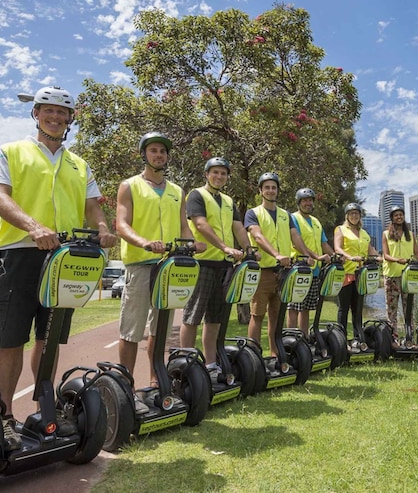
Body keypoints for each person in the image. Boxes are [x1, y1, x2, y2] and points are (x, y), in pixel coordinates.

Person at [0, 86, 117, 449]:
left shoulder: (79, 164)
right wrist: (33, 227)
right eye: (49, 111)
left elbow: (93, 205)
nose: (55, 118)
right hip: (20, 253)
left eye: (63, 113)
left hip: (65, 257)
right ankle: (4, 415)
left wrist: (103, 229)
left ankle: (47, 410)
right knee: (12, 336)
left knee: (50, 335)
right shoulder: (11, 151)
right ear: (37, 114)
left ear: (70, 119)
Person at [116, 132, 205, 412]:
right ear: (144, 155)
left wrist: (192, 243)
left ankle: (156, 380)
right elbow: (121, 224)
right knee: (132, 328)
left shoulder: (177, 191)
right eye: (153, 151)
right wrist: (143, 242)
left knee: (161, 327)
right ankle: (125, 386)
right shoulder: (129, 186)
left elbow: (183, 226)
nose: (159, 156)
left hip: (169, 265)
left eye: (163, 152)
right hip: (141, 263)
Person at [180, 157, 253, 382]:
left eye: (223, 173)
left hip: (224, 265)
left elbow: (238, 228)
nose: (219, 177)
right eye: (215, 172)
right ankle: (185, 363)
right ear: (206, 174)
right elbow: (200, 224)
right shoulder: (196, 195)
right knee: (193, 315)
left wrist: (249, 250)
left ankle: (210, 364)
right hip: (202, 263)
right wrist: (225, 247)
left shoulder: (229, 201)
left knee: (215, 318)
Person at [243, 173, 311, 361]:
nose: (271, 190)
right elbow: (257, 236)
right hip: (262, 271)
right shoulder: (253, 213)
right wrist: (276, 254)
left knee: (277, 316)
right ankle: (253, 357)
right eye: (267, 187)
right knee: (257, 315)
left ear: (278, 190)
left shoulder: (285, 215)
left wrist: (306, 254)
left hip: (283, 273)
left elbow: (295, 237)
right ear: (261, 190)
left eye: (274, 187)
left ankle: (276, 355)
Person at [287, 188, 334, 335]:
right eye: (305, 200)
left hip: (314, 271)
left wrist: (336, 256)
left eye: (310, 200)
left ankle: (304, 339)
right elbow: (296, 243)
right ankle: (291, 338)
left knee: (305, 308)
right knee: (294, 307)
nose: (308, 203)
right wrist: (316, 257)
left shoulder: (316, 222)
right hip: (299, 268)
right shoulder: (293, 218)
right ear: (299, 202)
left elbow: (324, 244)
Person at [333, 203, 381, 345]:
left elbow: (370, 250)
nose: (354, 216)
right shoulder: (341, 230)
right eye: (351, 213)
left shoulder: (364, 233)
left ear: (360, 216)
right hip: (346, 273)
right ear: (347, 216)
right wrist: (350, 257)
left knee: (358, 307)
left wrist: (379, 258)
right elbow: (337, 248)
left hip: (361, 275)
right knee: (344, 307)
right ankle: (340, 339)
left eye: (356, 213)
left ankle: (358, 337)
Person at [381, 205, 418, 347]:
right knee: (392, 309)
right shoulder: (386, 234)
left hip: (409, 276)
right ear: (392, 218)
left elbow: (417, 252)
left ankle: (409, 338)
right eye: (396, 215)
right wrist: (397, 260)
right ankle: (393, 339)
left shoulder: (411, 235)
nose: (399, 217)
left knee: (409, 308)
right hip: (392, 275)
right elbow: (386, 255)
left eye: (401, 214)